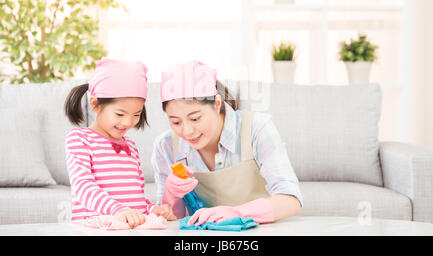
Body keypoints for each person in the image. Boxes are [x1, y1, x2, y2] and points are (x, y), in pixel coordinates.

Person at [151, 60, 303, 226]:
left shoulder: (255, 128)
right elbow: (173, 218)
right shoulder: (166, 146)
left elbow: (291, 200)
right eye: (175, 122)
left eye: (195, 118)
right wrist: (171, 195)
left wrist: (236, 213)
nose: (186, 131)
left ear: (217, 104)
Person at [64, 58, 175, 228]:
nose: (128, 122)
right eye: (120, 114)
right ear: (95, 104)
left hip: (127, 227)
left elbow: (134, 198)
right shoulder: (79, 139)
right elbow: (83, 188)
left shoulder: (130, 146)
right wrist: (118, 210)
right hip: (96, 228)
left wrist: (152, 209)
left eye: (136, 114)